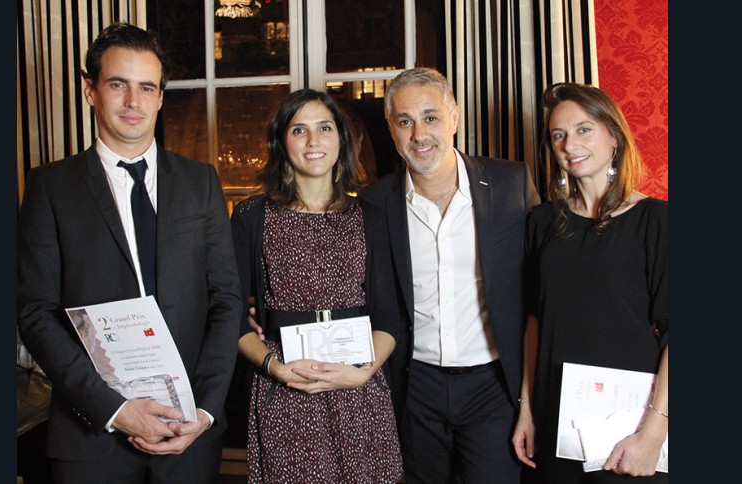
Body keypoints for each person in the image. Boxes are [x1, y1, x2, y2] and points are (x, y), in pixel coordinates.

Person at [17, 21, 242, 483]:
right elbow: (35, 312)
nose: (133, 102)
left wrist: (204, 409)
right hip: (90, 438)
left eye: (147, 87)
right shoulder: (50, 188)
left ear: (160, 97)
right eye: (118, 84)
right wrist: (113, 409)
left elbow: (226, 300)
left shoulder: (200, 182)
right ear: (90, 90)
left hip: (189, 436)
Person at [359, 67, 541, 483]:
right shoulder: (374, 202)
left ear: (454, 116)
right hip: (414, 386)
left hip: (494, 386)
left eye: (431, 117)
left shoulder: (510, 183)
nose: (419, 134)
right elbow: (359, 287)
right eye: (405, 121)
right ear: (391, 129)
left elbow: (543, 281)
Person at [231, 88, 404, 483]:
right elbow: (232, 317)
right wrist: (275, 368)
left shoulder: (371, 217)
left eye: (324, 128)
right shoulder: (251, 216)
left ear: (341, 139)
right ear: (281, 142)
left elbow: (389, 317)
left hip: (357, 388)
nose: (313, 141)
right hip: (285, 388)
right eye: (299, 130)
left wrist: (363, 373)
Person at [511, 82, 668, 483]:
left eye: (584, 129)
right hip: (555, 418)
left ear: (613, 136)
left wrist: (654, 433)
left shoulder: (657, 221)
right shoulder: (541, 222)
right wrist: (527, 409)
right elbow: (534, 321)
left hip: (630, 424)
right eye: (558, 135)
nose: (569, 144)